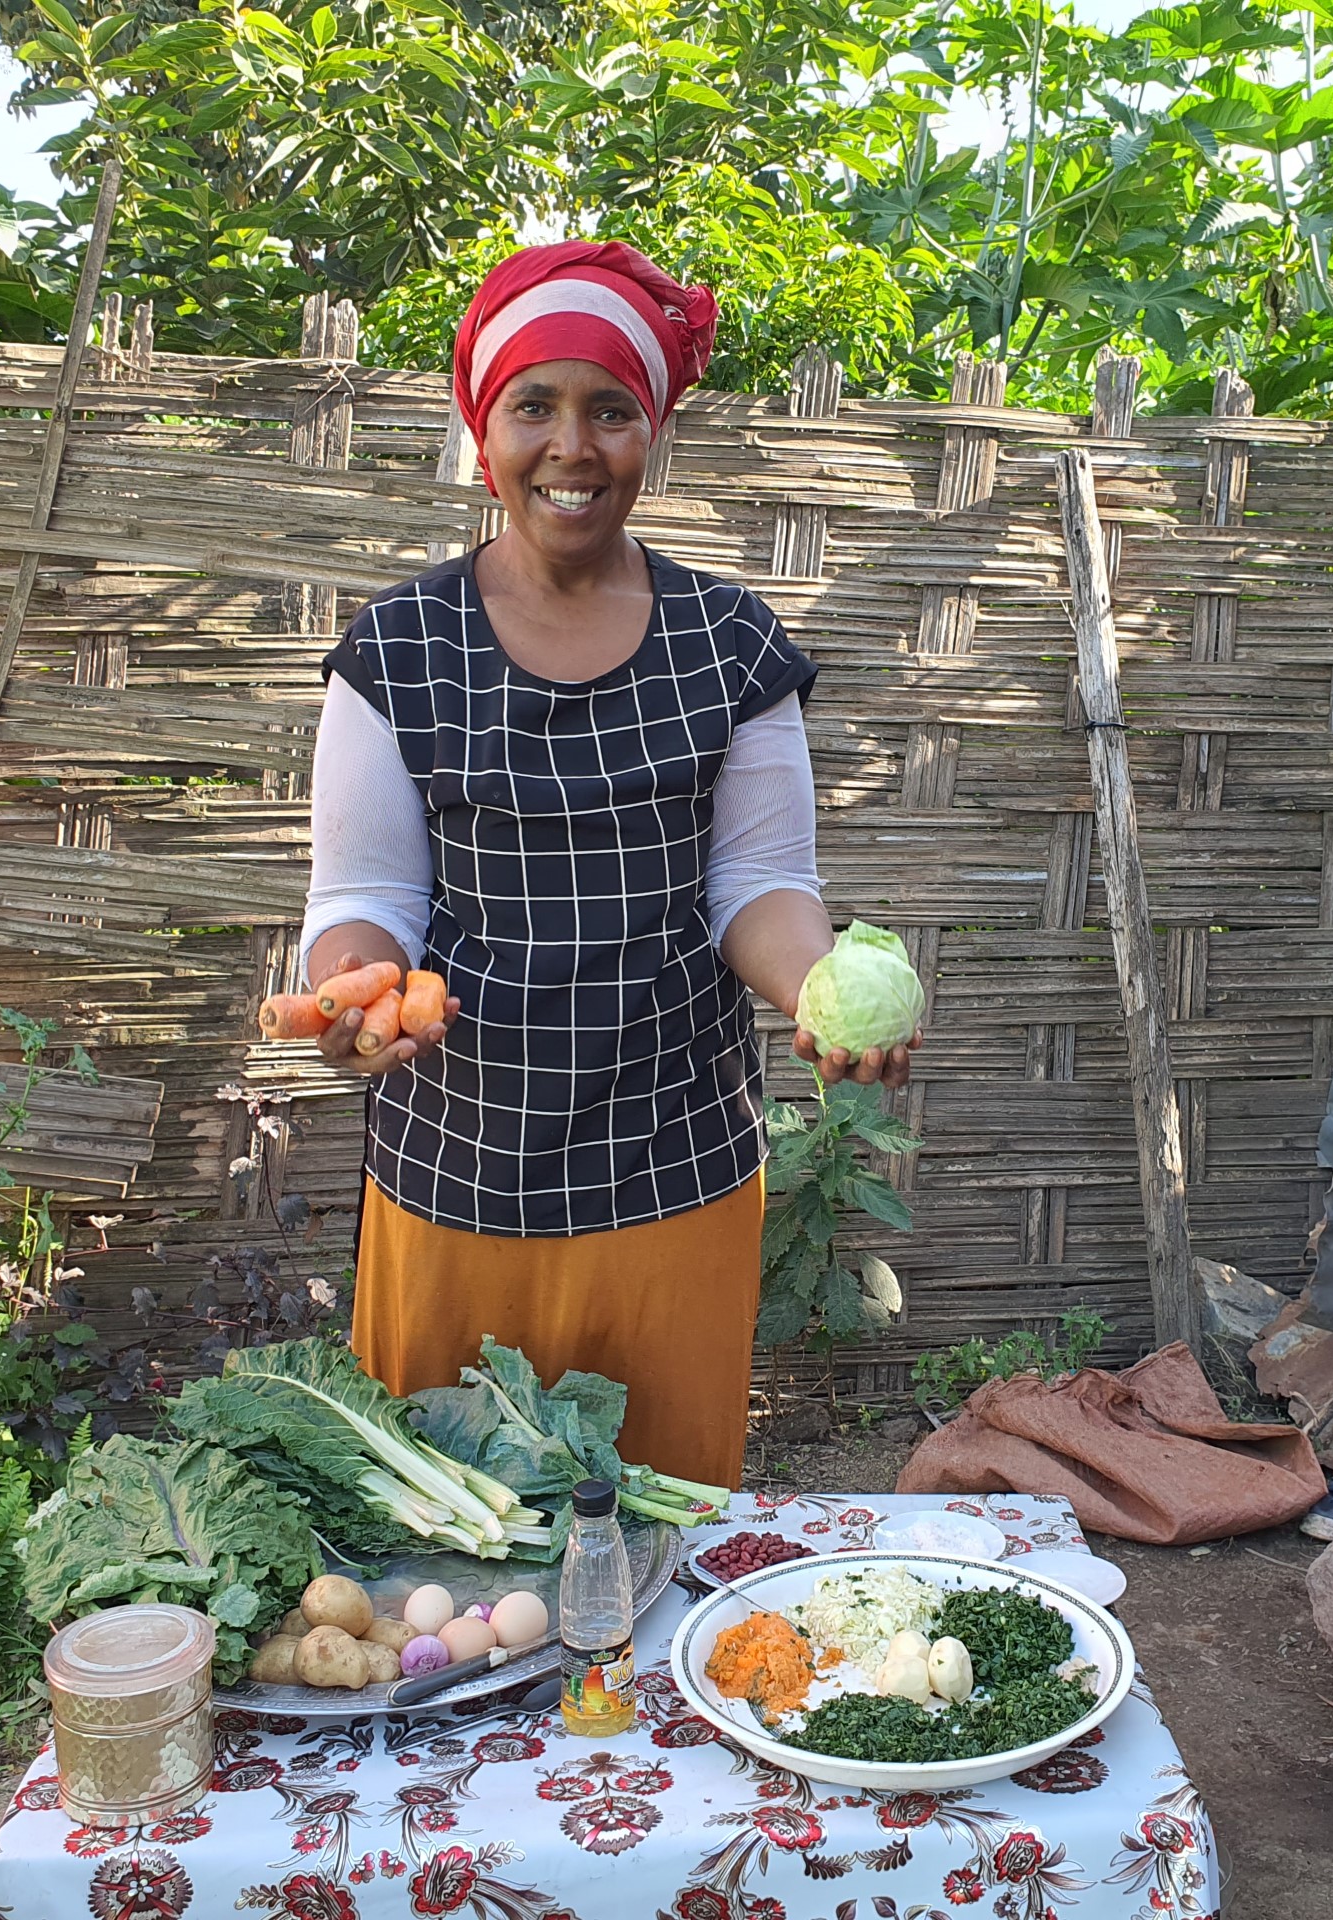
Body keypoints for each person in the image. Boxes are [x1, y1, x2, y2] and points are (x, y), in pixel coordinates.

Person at [297, 241, 915, 1489]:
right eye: (535, 405)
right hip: (457, 1158)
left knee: (661, 1518)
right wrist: (353, 995)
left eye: (611, 411)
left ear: (651, 435)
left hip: (673, 1160)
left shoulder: (728, 641)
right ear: (485, 430)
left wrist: (815, 992)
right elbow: (363, 899)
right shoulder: (396, 647)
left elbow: (758, 885)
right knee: (444, 1542)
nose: (571, 446)